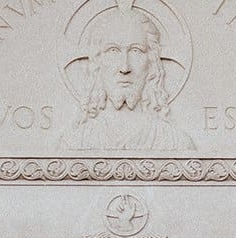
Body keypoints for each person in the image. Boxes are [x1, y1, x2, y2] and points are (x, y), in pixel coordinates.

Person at [60, 0, 196, 153]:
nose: (125, 68)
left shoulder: (175, 142)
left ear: (152, 63)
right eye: (113, 51)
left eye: (136, 51)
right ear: (97, 61)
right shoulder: (77, 141)